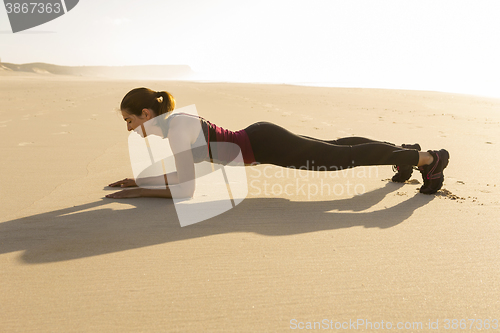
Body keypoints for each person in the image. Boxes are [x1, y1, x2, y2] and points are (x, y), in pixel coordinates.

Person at [106, 87, 449, 199]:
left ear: (147, 113)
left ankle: (427, 159)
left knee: (342, 157)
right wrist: (140, 181)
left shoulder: (177, 129)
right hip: (261, 140)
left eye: (129, 121)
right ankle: (405, 154)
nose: (129, 128)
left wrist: (136, 192)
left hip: (265, 145)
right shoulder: (174, 127)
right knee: (337, 147)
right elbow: (182, 176)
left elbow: (185, 190)